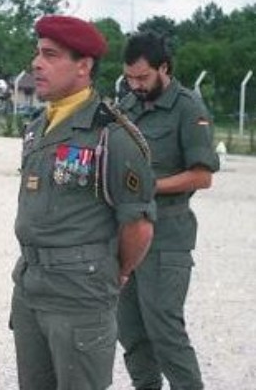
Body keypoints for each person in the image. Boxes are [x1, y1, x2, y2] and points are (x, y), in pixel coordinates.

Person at [10, 15, 157, 390]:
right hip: (31, 287)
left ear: (83, 66)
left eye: (50, 55)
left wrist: (116, 271)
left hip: (79, 295)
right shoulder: (38, 126)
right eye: (37, 53)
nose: (36, 63)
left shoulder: (113, 136)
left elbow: (138, 225)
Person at [117, 32, 220, 390]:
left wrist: (149, 186)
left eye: (143, 78)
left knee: (164, 330)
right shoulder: (127, 105)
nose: (136, 85)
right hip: (126, 235)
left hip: (167, 237)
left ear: (164, 68)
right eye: (129, 78)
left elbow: (203, 176)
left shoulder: (188, 108)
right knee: (130, 330)